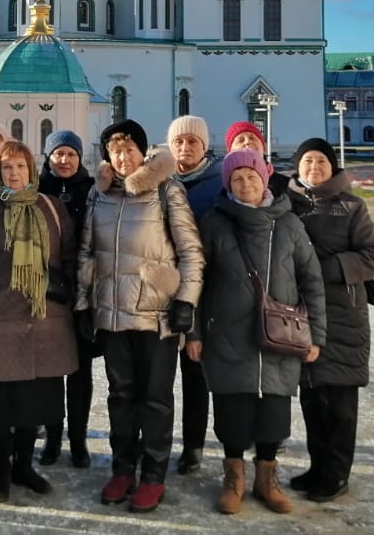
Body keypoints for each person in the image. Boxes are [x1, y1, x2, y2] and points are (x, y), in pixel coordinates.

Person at [185, 149, 326, 515]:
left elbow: (312, 281)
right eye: (236, 179)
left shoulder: (289, 224)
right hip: (228, 332)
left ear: (264, 178)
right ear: (228, 184)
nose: (245, 184)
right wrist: (195, 332)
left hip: (281, 333)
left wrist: (317, 335)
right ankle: (234, 478)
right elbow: (198, 278)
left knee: (274, 412)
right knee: (232, 410)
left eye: (251, 176)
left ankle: (268, 478)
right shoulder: (216, 222)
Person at [76, 119, 205, 514]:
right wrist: (84, 304)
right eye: (115, 151)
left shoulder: (167, 190)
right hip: (113, 315)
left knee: (155, 398)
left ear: (142, 152)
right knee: (120, 396)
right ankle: (122, 468)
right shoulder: (99, 196)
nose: (123, 157)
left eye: (130, 149)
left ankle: (153, 474)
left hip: (156, 315)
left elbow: (191, 252)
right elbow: (86, 254)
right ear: (107, 156)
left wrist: (186, 300)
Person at [0, 140, 78, 502]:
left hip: (47, 322)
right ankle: (0, 473)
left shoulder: (52, 208)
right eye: (6, 167)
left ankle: (24, 466)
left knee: (35, 406)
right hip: (1, 323)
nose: (14, 173)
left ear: (32, 170)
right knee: (1, 409)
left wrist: (69, 301)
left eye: (20, 167)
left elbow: (71, 258)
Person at [286, 138, 374, 503]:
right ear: (298, 167)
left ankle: (337, 473)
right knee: (312, 396)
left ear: (332, 167)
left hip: (343, 313)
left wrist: (328, 269)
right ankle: (317, 467)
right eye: (308, 161)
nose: (314, 167)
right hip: (302, 314)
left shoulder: (351, 206)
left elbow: (373, 256)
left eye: (321, 161)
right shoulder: (289, 206)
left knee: (340, 401)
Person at [167, 115, 224, 476]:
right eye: (179, 142)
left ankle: (193, 445)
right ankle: (156, 441)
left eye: (193, 143)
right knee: (157, 379)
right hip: (160, 291)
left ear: (204, 147)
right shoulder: (162, 181)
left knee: (195, 374)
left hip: (202, 292)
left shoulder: (218, 184)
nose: (185, 148)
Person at [36, 129, 96, 468]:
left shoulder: (90, 192)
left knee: (80, 371)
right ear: (48, 157)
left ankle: (78, 439)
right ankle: (53, 437)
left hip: (81, 293)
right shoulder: (37, 191)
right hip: (46, 292)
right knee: (48, 371)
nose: (64, 160)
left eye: (71, 154)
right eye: (58, 154)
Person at [225, 121, 290, 195]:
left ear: (263, 148)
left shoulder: (286, 186)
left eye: (252, 138)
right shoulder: (220, 186)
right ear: (230, 152)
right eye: (240, 140)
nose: (247, 142)